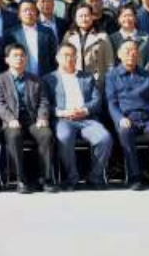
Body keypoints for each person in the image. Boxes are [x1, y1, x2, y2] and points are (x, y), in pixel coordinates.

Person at [106, 40, 149, 191]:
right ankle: (134, 176)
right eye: (127, 51)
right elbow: (111, 102)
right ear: (119, 54)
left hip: (148, 119)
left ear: (138, 55)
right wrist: (120, 119)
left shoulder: (147, 75)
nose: (131, 54)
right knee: (124, 132)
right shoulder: (112, 76)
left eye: (134, 51)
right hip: (128, 119)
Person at [45, 43, 112, 191]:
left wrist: (84, 110)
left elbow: (97, 100)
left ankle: (95, 177)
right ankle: (72, 178)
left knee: (104, 138)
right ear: (57, 58)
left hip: (87, 119)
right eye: (66, 55)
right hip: (64, 119)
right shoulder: (49, 78)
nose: (70, 59)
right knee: (64, 138)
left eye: (73, 56)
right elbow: (45, 104)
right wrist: (63, 112)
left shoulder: (87, 77)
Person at [0, 44, 57, 193]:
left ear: (26, 59)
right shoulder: (0, 79)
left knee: (46, 134)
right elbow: (0, 104)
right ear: (7, 59)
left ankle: (45, 179)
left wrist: (42, 117)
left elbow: (44, 101)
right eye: (15, 56)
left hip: (33, 120)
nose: (19, 58)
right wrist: (10, 119)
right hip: (12, 121)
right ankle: (20, 179)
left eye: (22, 55)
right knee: (14, 136)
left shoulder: (36, 79)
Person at [7, 1, 58, 78]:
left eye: (32, 10)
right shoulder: (12, 33)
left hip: (45, 76)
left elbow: (53, 55)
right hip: (20, 77)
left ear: (37, 13)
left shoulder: (47, 31)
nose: (28, 13)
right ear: (19, 15)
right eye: (25, 10)